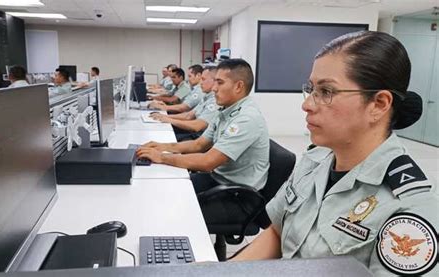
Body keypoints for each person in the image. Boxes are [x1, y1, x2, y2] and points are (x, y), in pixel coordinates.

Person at [230, 31, 438, 277]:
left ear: (379, 104)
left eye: (326, 91)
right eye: (311, 89)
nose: (307, 104)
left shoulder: (410, 208)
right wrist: (221, 273)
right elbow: (276, 231)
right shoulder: (313, 160)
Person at [137, 59, 270, 193]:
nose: (214, 88)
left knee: (173, 195)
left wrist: (161, 157)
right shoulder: (225, 109)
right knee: (166, 186)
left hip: (237, 194)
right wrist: (162, 146)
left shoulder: (246, 118)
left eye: (220, 82)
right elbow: (199, 145)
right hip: (219, 179)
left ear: (238, 86)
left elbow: (208, 161)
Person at [151, 66, 219, 141]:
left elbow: (182, 107)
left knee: (162, 136)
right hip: (192, 129)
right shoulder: (206, 96)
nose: (201, 83)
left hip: (196, 135)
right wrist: (164, 116)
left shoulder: (209, 97)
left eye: (203, 79)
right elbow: (188, 115)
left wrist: (167, 116)